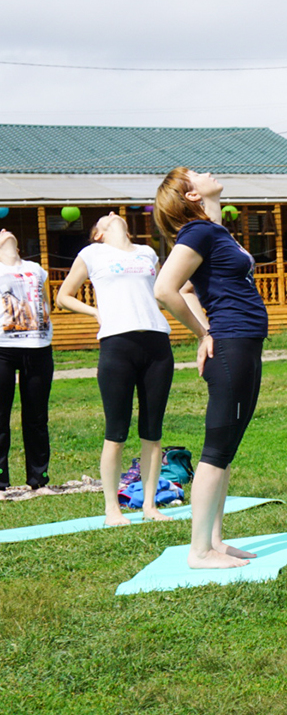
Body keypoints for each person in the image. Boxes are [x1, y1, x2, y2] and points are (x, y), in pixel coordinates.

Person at [152, 167, 269, 569]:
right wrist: (203, 332)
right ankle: (199, 551)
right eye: (195, 174)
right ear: (191, 197)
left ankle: (215, 540)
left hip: (244, 342)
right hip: (232, 343)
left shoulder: (213, 231)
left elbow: (193, 285)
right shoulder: (198, 233)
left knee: (227, 448)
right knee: (216, 449)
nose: (206, 172)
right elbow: (165, 288)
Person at [56, 212, 175, 525]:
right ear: (98, 233)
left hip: (157, 344)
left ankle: (150, 506)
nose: (112, 214)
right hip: (116, 345)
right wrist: (96, 312)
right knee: (116, 432)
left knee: (152, 432)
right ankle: (112, 509)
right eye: (105, 216)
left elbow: (165, 291)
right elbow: (63, 296)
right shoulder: (92, 253)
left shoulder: (148, 253)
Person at [0, 228, 53, 492]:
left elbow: (45, 303)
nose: (5, 230)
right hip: (3, 349)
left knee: (36, 416)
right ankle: (0, 480)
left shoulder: (36, 268)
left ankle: (38, 478)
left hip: (38, 346)